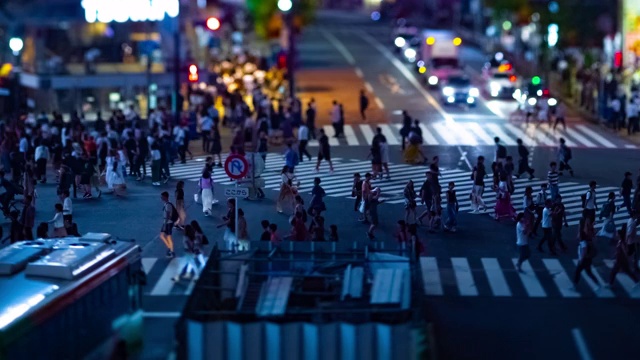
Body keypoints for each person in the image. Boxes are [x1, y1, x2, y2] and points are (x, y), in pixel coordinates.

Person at [160, 191, 176, 258]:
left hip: (168, 223)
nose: (161, 198)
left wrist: (165, 225)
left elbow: (168, 215)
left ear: (165, 197)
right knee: (162, 236)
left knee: (168, 237)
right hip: (166, 222)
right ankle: (170, 248)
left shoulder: (168, 205)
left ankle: (171, 251)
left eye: (162, 196)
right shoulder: (167, 204)